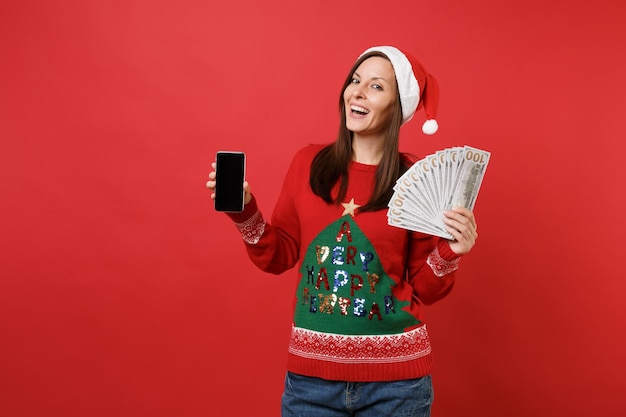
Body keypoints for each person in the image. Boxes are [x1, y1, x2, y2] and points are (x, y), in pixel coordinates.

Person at [206, 45, 478, 417]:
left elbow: (425, 289)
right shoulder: (308, 163)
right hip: (310, 385)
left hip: (398, 387)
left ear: (399, 107)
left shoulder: (414, 179)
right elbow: (279, 254)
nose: (358, 92)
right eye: (355, 80)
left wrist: (450, 253)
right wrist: (243, 212)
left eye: (377, 86)